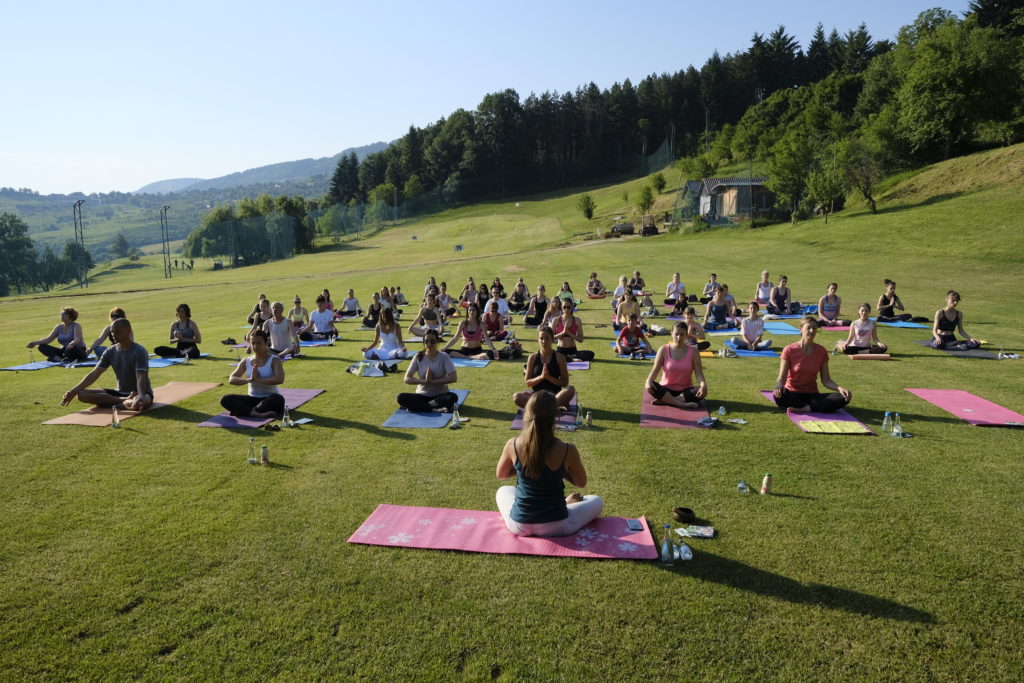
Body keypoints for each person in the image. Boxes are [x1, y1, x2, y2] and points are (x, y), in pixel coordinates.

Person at [495, 391, 604, 537]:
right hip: (557, 525)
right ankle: (565, 503)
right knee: (596, 500)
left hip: (520, 525)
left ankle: (564, 503)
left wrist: (524, 466)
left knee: (503, 490)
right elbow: (580, 482)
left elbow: (501, 475)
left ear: (526, 413)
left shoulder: (513, 444)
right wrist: (560, 468)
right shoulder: (567, 449)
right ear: (556, 417)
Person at [60, 318, 153, 412]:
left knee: (142, 402)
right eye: (112, 332)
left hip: (142, 392)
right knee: (82, 395)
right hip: (118, 393)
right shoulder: (110, 351)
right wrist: (73, 391)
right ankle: (125, 401)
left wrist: (140, 396)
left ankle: (126, 402)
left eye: (117, 332)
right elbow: (95, 373)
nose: (113, 335)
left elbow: (141, 377)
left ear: (128, 331)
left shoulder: (139, 351)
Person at [773, 317, 852, 413]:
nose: (812, 331)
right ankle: (814, 407)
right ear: (801, 329)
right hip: (792, 394)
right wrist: (778, 386)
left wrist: (839, 388)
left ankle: (805, 408)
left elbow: (826, 380)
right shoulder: (789, 349)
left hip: (812, 395)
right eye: (809, 328)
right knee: (780, 394)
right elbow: (781, 378)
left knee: (842, 397)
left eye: (814, 328)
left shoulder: (821, 351)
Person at [220, 329, 285, 418]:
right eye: (253, 343)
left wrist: (258, 379)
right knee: (225, 399)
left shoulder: (274, 359)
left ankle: (245, 411)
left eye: (259, 343)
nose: (255, 346)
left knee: (277, 399)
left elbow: (280, 379)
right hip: (252, 399)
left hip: (269, 399)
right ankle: (257, 414)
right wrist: (249, 380)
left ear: (266, 343)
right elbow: (232, 379)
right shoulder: (246, 361)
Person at [645, 321, 709, 409]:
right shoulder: (663, 349)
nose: (679, 337)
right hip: (666, 390)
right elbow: (655, 370)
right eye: (676, 334)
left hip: (685, 391)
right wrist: (648, 382)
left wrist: (703, 385)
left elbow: (699, 373)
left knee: (701, 391)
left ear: (686, 335)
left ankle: (666, 401)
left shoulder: (694, 351)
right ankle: (681, 403)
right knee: (651, 385)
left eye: (682, 334)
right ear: (672, 334)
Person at [397, 329, 459, 412]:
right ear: (423, 343)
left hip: (440, 395)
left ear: (437, 342)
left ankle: (418, 407)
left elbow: (453, 378)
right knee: (401, 397)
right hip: (422, 395)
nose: (429, 344)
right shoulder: (418, 357)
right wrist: (424, 381)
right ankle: (434, 409)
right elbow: (407, 378)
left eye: (432, 341)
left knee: (452, 397)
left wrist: (433, 382)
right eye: (426, 341)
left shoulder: (444, 357)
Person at [513, 327, 575, 409]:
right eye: (541, 338)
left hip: (555, 396)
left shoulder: (560, 358)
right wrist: (541, 377)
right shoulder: (532, 357)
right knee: (517, 397)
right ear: (538, 340)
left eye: (547, 338)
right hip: (537, 396)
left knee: (570, 389)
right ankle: (551, 408)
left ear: (552, 340)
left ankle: (543, 408)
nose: (544, 341)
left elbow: (565, 383)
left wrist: (549, 377)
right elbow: (528, 382)